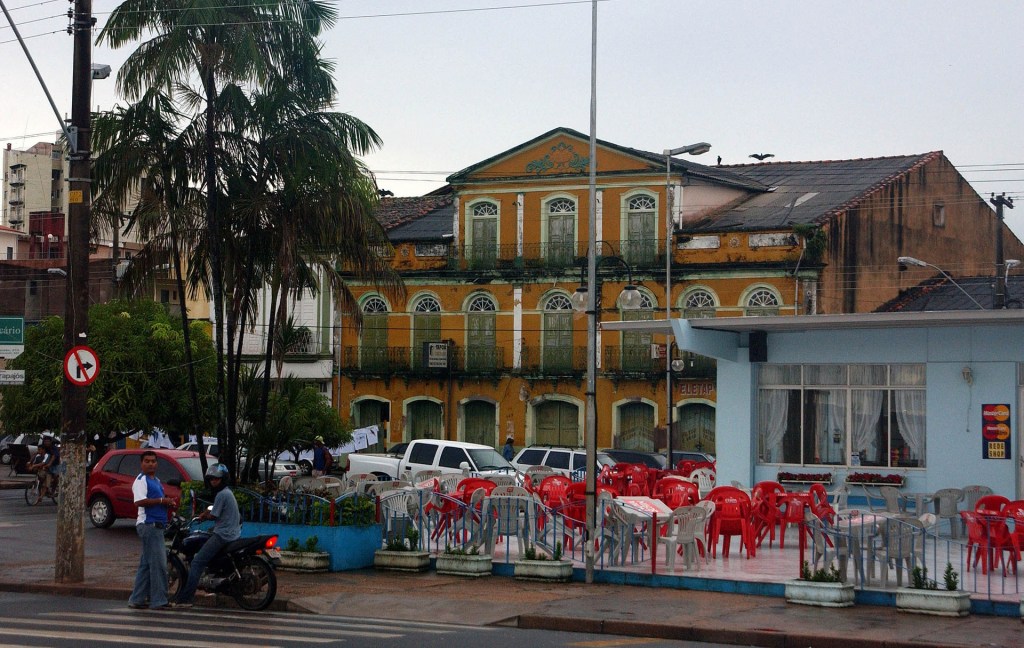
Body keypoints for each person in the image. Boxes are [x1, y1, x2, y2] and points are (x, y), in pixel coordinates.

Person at [174, 463, 240, 608]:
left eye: (216, 479)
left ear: (223, 479)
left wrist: (202, 515)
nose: (213, 482)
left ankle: (186, 599)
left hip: (223, 535)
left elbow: (213, 515)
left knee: (197, 562)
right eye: (211, 479)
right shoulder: (227, 493)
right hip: (231, 533)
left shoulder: (222, 494)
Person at [128, 450, 175, 610]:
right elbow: (139, 502)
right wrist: (162, 500)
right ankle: (159, 600)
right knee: (159, 564)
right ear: (141, 464)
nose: (150, 464)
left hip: (157, 525)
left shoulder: (156, 480)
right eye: (147, 461)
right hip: (149, 525)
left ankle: (137, 599)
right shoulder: (141, 480)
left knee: (147, 565)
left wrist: (167, 503)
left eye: (153, 461)